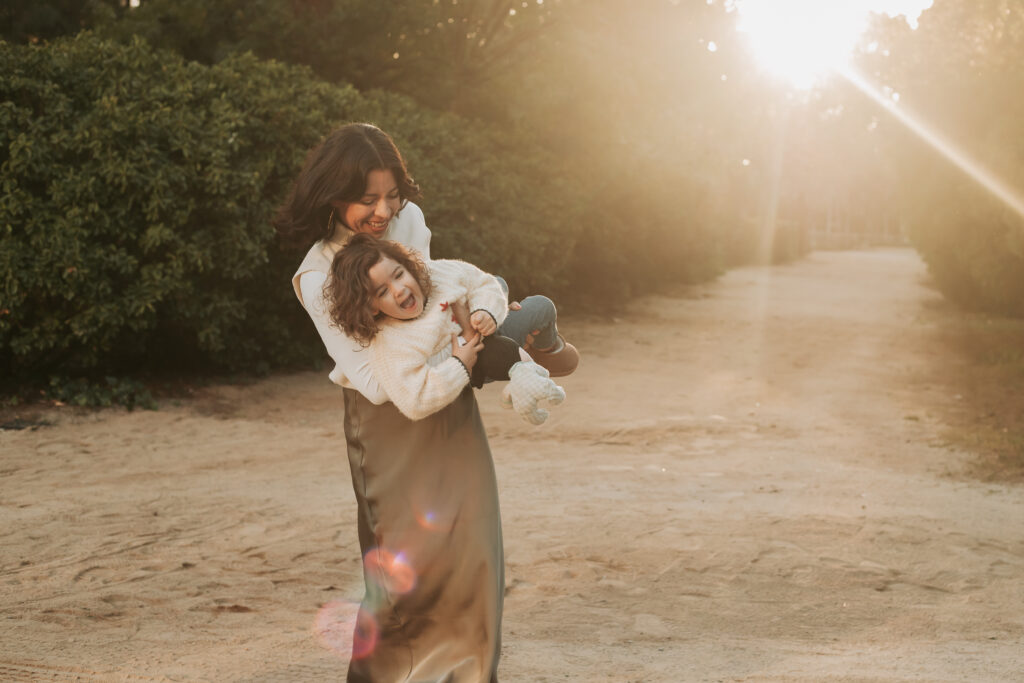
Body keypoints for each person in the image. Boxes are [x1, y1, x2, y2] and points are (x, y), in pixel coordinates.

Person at [272, 122, 572, 682]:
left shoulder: (408, 221)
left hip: (449, 402)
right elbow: (376, 382)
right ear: (332, 195)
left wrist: (472, 328)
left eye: (392, 195)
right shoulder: (316, 273)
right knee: (405, 582)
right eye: (367, 200)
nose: (384, 211)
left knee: (472, 558)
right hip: (390, 427)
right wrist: (460, 358)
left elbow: (431, 294)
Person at [325, 233, 566, 425]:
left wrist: (486, 312)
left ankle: (544, 348)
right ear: (371, 307)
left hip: (485, 327)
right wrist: (460, 363)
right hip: (479, 359)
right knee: (529, 316)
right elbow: (414, 400)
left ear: (408, 266)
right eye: (382, 291)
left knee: (518, 293)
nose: (398, 289)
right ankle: (523, 366)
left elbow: (482, 282)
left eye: (398, 274)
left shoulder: (437, 274)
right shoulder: (391, 342)